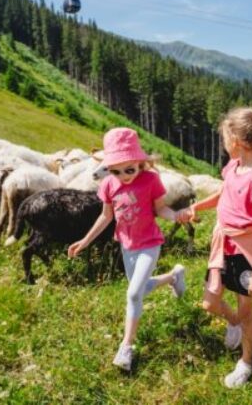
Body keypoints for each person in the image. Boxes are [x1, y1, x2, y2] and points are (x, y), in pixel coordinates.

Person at [177, 107, 252, 388]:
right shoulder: (233, 168)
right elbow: (224, 193)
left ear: (235, 139)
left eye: (224, 136)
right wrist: (196, 206)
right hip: (223, 245)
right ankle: (233, 322)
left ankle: (246, 361)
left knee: (247, 311)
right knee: (210, 302)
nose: (223, 142)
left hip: (246, 253)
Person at [68, 127, 186, 371]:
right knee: (140, 290)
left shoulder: (151, 180)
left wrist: (176, 216)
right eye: (115, 170)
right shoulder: (109, 185)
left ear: (140, 162)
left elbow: (160, 209)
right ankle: (174, 277)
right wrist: (84, 241)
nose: (123, 176)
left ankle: (126, 347)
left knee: (133, 294)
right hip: (126, 244)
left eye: (129, 170)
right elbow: (105, 217)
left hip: (149, 244)